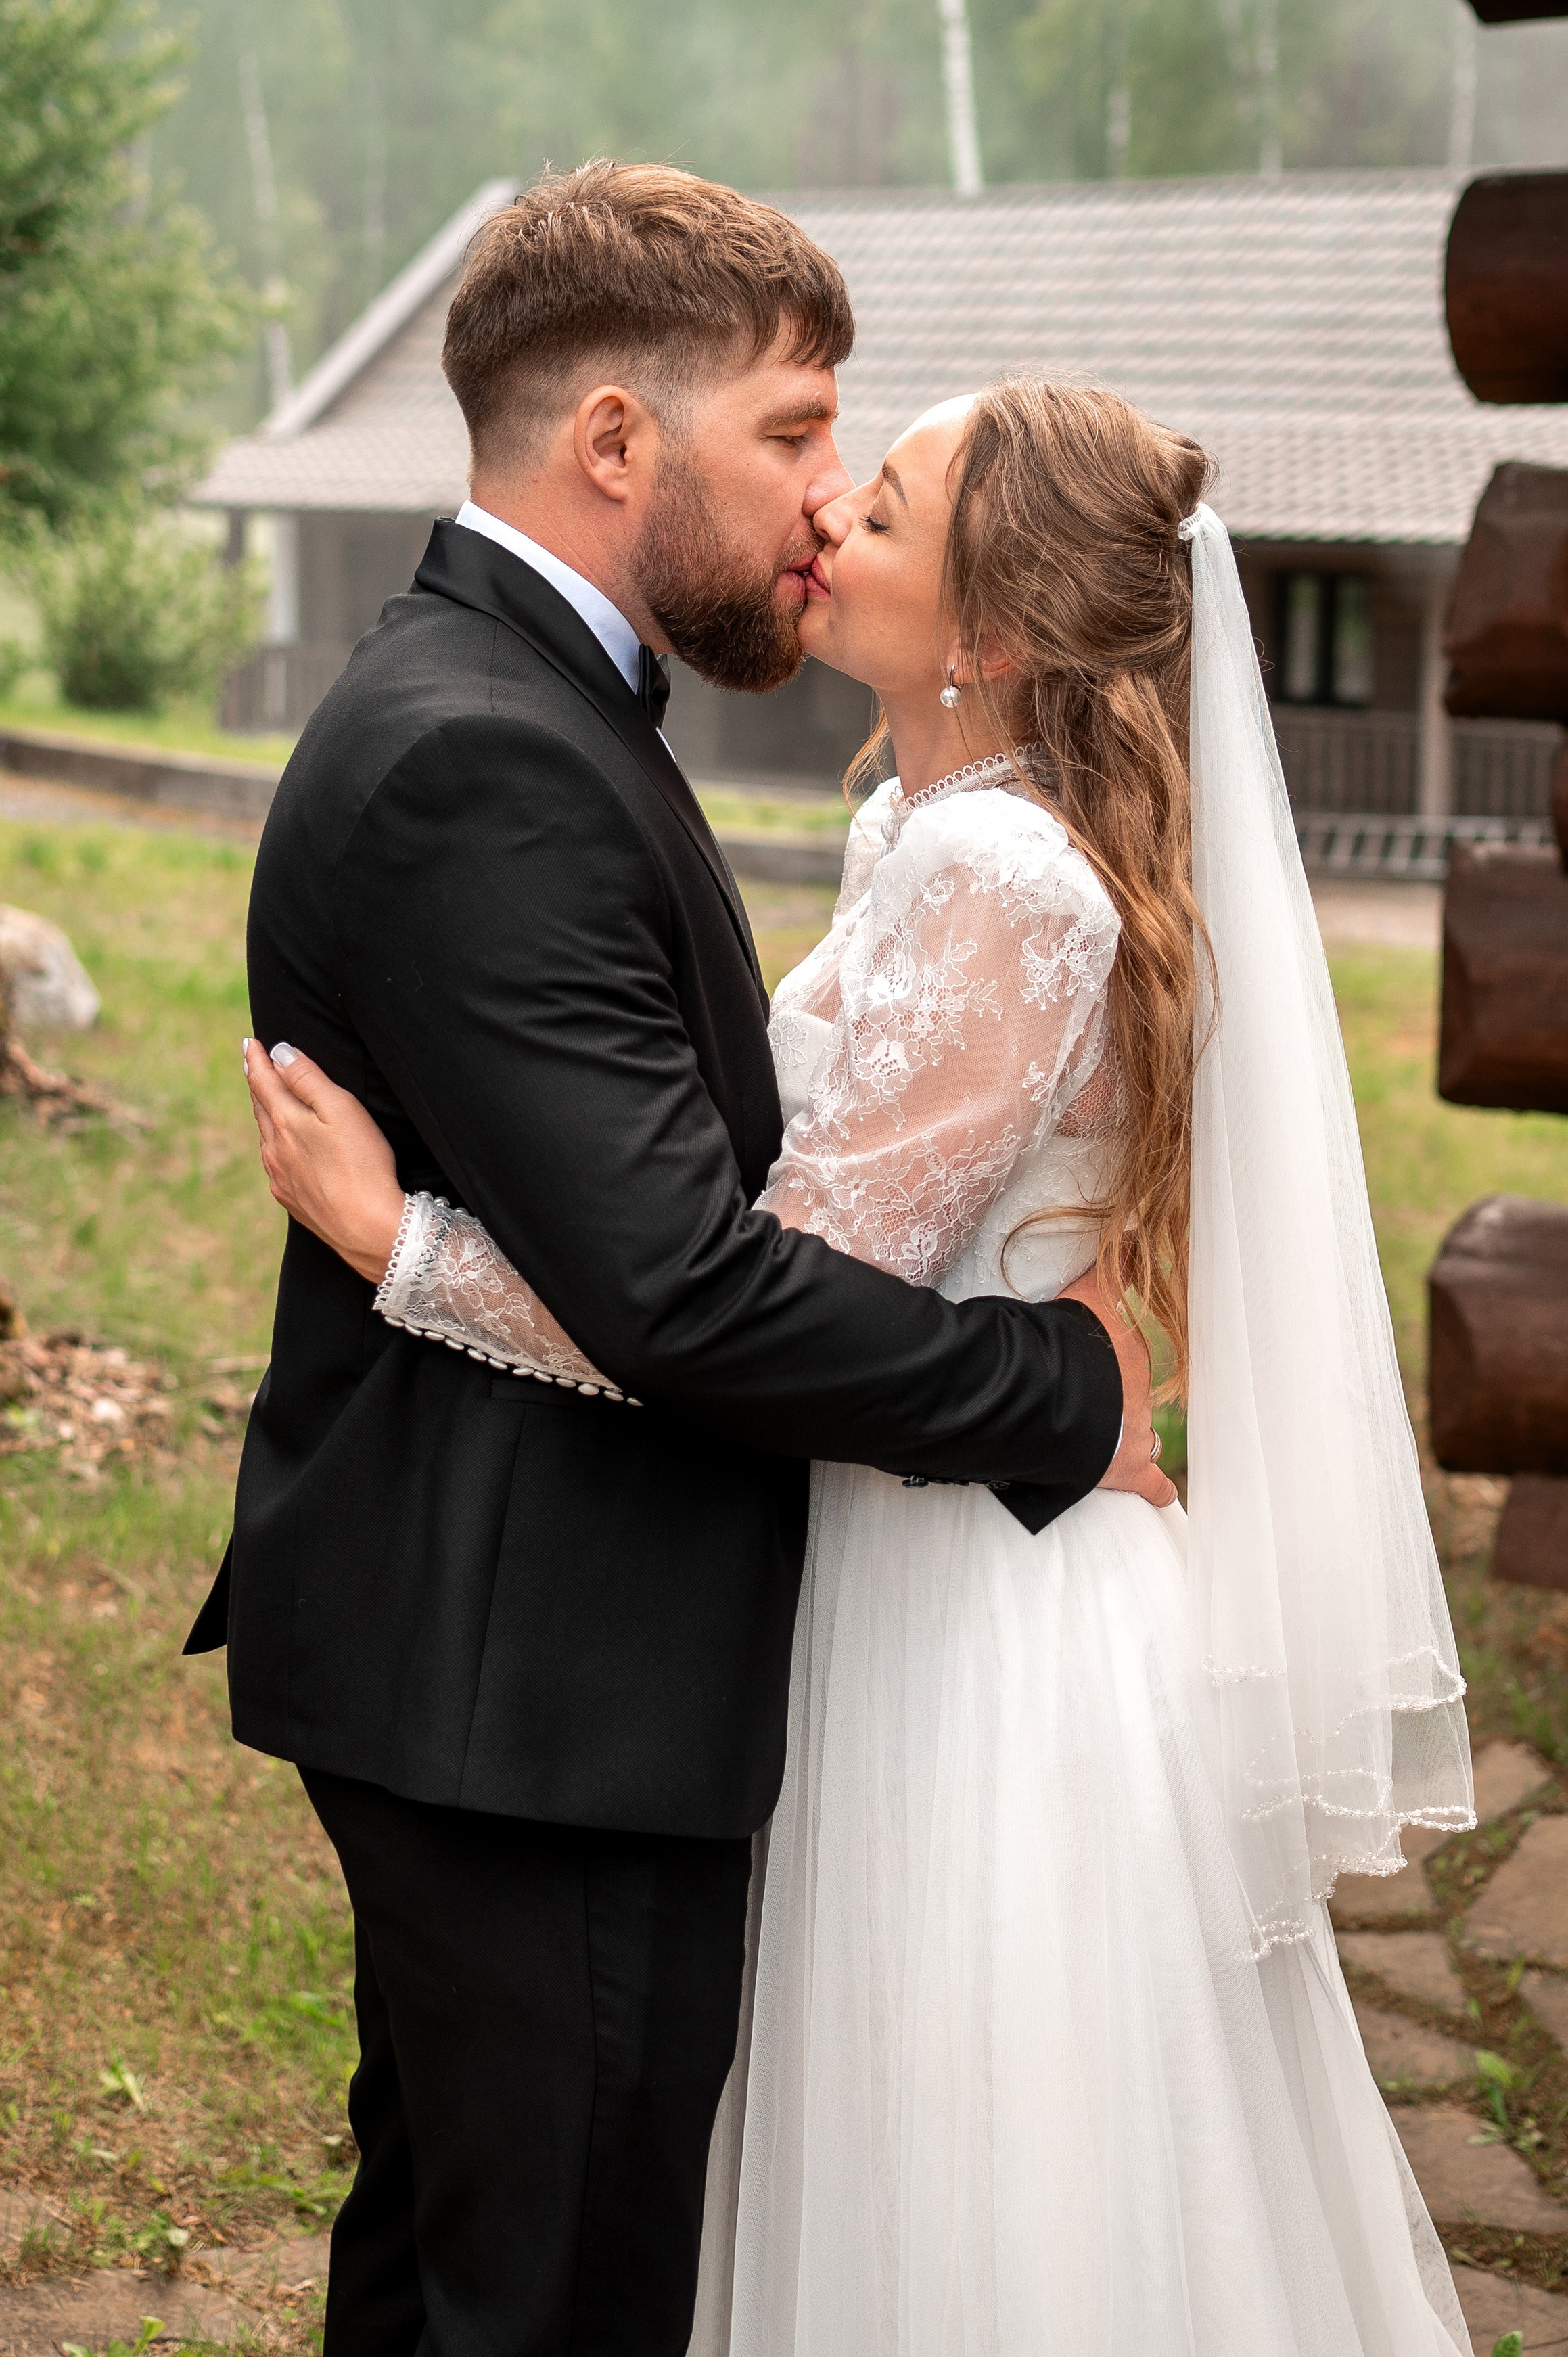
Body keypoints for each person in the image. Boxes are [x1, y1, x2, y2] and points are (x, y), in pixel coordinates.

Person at [247, 372, 1478, 2354]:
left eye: (879, 506)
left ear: (987, 629)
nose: (824, 518)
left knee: (979, 2156)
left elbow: (747, 1291)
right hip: (866, 1548)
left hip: (971, 1618)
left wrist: (412, 1250)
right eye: (831, 468)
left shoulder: (1004, 879)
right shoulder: (929, 824)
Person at [189, 166, 1168, 2357]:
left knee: (467, 2261)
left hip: (534, 1657)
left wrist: (413, 1236)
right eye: (802, 434)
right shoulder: (488, 758)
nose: (830, 498)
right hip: (538, 1682)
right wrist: (1061, 1397)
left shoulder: (535, 699)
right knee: (551, 2295)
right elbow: (690, 1289)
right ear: (619, 443)